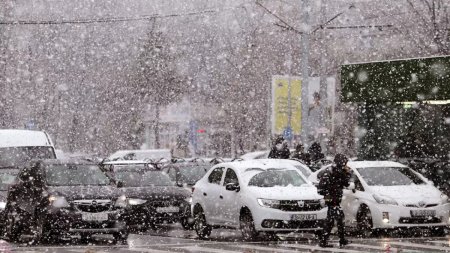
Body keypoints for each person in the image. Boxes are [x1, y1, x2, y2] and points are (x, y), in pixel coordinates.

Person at [317, 154, 351, 248]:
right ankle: (326, 240)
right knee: (335, 219)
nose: (346, 165)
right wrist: (347, 173)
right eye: (345, 163)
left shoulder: (332, 170)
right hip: (333, 198)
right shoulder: (337, 171)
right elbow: (346, 183)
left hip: (331, 197)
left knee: (334, 219)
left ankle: (337, 239)